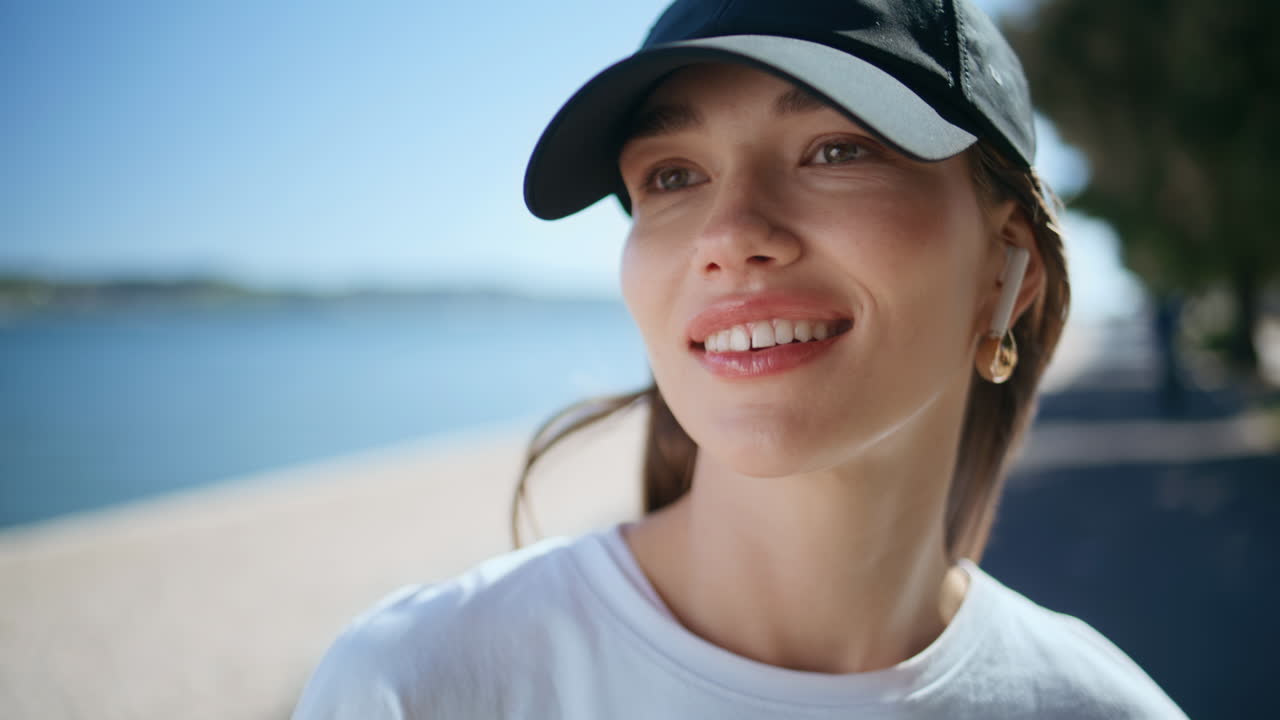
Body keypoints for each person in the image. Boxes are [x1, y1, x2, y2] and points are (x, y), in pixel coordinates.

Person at [293, 1, 1189, 717]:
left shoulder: (1099, 707)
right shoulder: (418, 687)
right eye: (673, 175)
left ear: (1008, 269)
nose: (728, 237)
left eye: (837, 150)